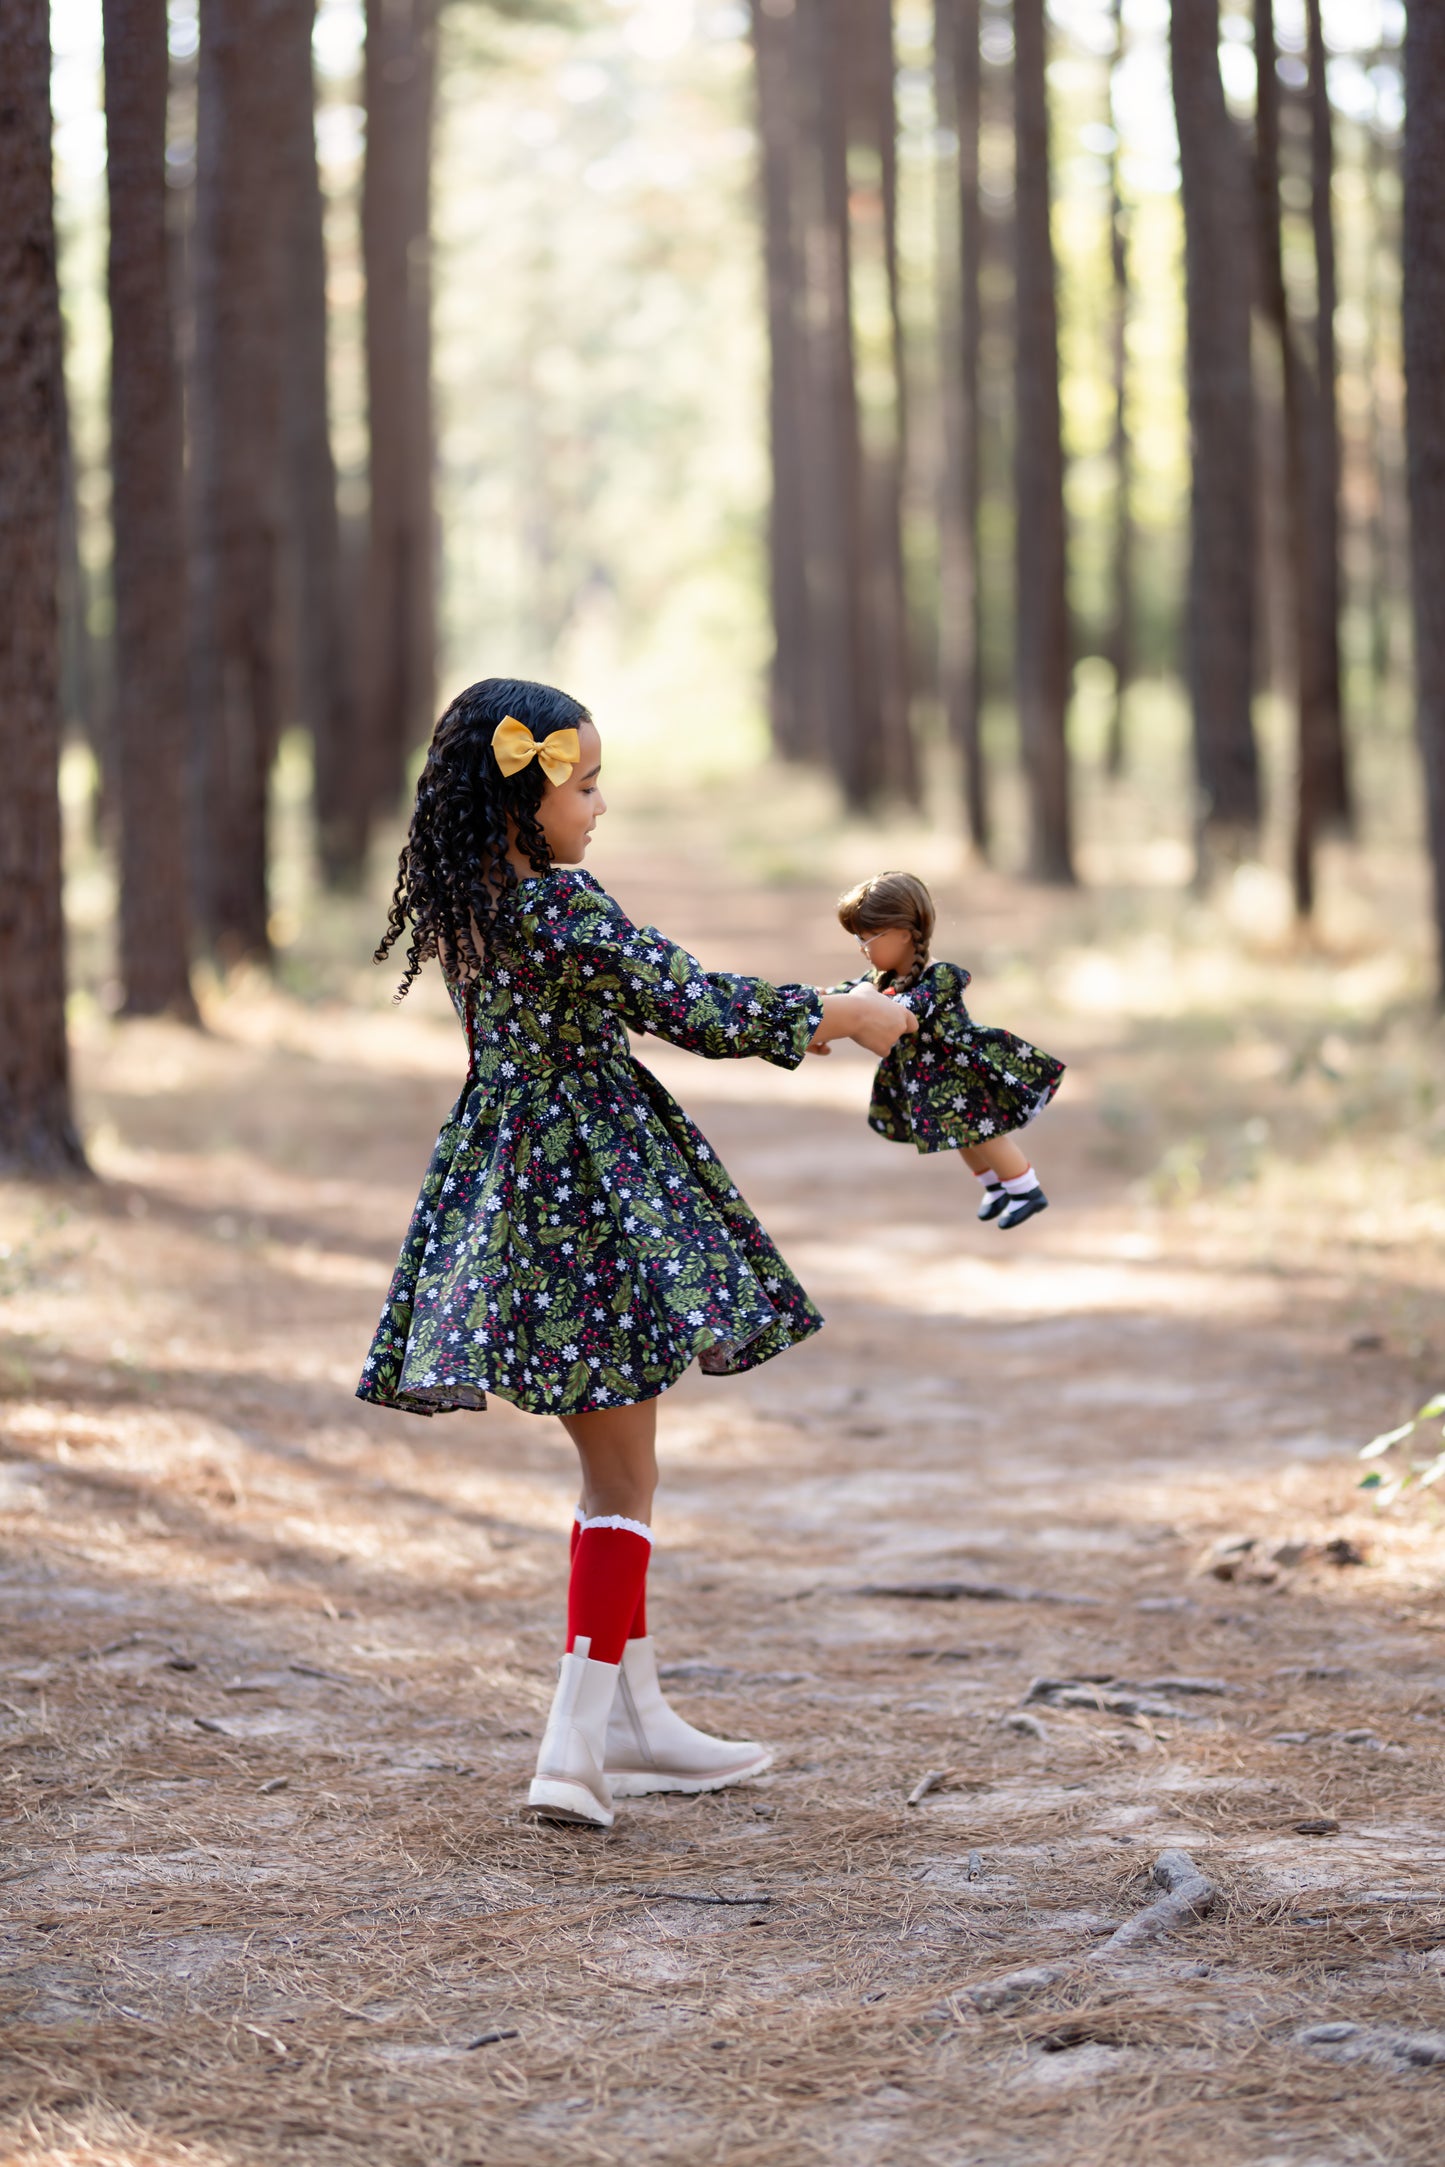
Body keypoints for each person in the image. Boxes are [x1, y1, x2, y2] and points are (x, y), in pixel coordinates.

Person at [357, 679, 916, 1829]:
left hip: (513, 1184)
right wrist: (847, 1013)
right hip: (589, 1202)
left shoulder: (473, 900)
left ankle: (639, 1720)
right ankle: (572, 1743)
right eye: (587, 783)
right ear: (524, 798)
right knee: (622, 1480)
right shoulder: (560, 908)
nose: (601, 805)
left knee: (612, 1468)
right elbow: (694, 1004)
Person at [827, 870, 1064, 1228]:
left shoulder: (940, 977)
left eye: (867, 938)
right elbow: (848, 993)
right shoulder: (883, 980)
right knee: (963, 1138)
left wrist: (861, 1001)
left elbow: (905, 1015)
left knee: (985, 1134)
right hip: (933, 1080)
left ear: (904, 933)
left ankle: (1026, 1189)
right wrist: (818, 999)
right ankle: (996, 1186)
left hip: (957, 1071)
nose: (862, 949)